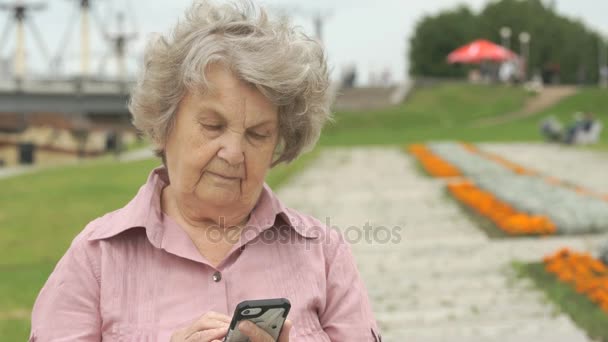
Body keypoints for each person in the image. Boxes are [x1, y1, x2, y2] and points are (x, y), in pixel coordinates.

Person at [29, 1, 381, 341]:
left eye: (258, 135)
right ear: (163, 125)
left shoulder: (324, 253)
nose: (233, 153)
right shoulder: (95, 259)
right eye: (212, 126)